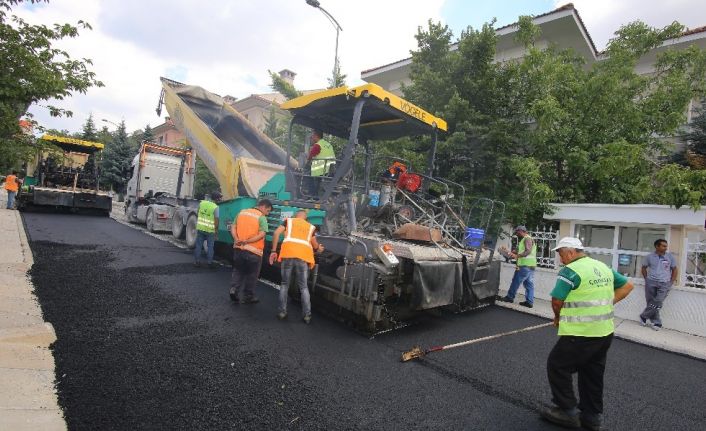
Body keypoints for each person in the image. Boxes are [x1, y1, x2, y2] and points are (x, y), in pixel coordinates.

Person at [541, 237, 634, 431]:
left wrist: (557, 318)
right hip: (604, 333)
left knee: (557, 366)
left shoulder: (570, 271)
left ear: (571, 252)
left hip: (580, 333)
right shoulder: (602, 266)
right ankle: (592, 417)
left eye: (560, 254)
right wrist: (606, 304)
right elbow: (627, 286)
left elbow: (557, 300)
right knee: (592, 373)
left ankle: (567, 412)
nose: (560, 259)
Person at [269, 209, 324, 324]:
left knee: (284, 284)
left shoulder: (289, 221)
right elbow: (315, 245)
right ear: (305, 217)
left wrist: (274, 251)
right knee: (303, 287)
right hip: (303, 258)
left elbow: (276, 233)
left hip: (287, 255)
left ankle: (282, 312)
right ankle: (307, 316)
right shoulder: (310, 227)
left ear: (296, 216)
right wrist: (319, 248)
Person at [229, 199, 273, 304]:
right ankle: (248, 296)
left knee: (238, 271)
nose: (267, 213)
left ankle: (234, 289)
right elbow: (262, 234)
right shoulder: (261, 217)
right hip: (254, 252)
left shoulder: (242, 212)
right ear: (263, 207)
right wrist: (247, 241)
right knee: (252, 274)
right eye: (268, 211)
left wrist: (236, 238)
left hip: (238, 249)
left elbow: (233, 227)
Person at [639, 239, 677, 331]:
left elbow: (675, 269)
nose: (665, 247)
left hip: (665, 283)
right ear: (657, 246)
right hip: (651, 281)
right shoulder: (649, 257)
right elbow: (644, 268)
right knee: (651, 301)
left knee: (658, 301)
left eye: (666, 246)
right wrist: (646, 279)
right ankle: (656, 322)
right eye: (663, 246)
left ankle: (644, 315)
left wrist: (671, 282)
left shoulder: (670, 257)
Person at [500, 225, 537, 308]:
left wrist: (518, 256)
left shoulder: (527, 239)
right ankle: (529, 302)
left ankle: (510, 297)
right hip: (531, 265)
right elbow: (518, 251)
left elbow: (528, 251)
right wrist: (508, 251)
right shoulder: (526, 239)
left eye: (517, 232)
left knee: (516, 281)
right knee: (529, 284)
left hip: (524, 266)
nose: (517, 233)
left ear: (521, 231)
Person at [193, 192, 221, 268]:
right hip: (210, 230)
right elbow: (217, 220)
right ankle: (209, 263)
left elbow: (198, 213)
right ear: (217, 199)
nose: (220, 200)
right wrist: (216, 231)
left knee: (198, 245)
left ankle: (196, 262)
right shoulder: (215, 207)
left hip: (201, 228)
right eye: (219, 198)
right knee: (210, 247)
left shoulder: (202, 203)